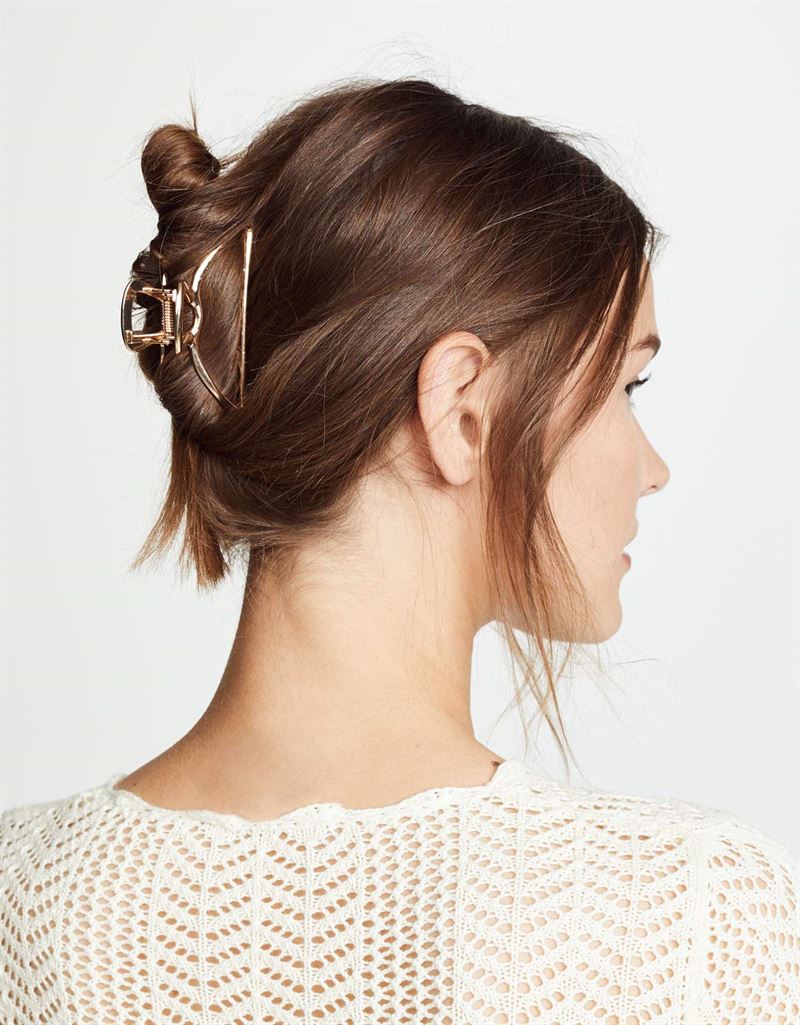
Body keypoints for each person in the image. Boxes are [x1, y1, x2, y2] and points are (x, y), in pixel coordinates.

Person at [1, 78, 797, 1024]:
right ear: (463, 410)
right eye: (628, 386)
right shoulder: (688, 917)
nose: (653, 469)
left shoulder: (23, 902)